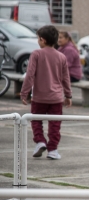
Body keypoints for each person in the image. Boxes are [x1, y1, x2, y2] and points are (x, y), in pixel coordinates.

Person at [20, 25, 72, 160]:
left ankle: (40, 141)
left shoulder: (36, 54)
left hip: (39, 97)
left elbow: (30, 75)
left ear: (42, 40)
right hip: (56, 98)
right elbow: (65, 78)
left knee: (36, 120)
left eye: (38, 38)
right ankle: (53, 149)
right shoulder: (61, 56)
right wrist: (68, 95)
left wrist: (24, 92)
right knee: (55, 124)